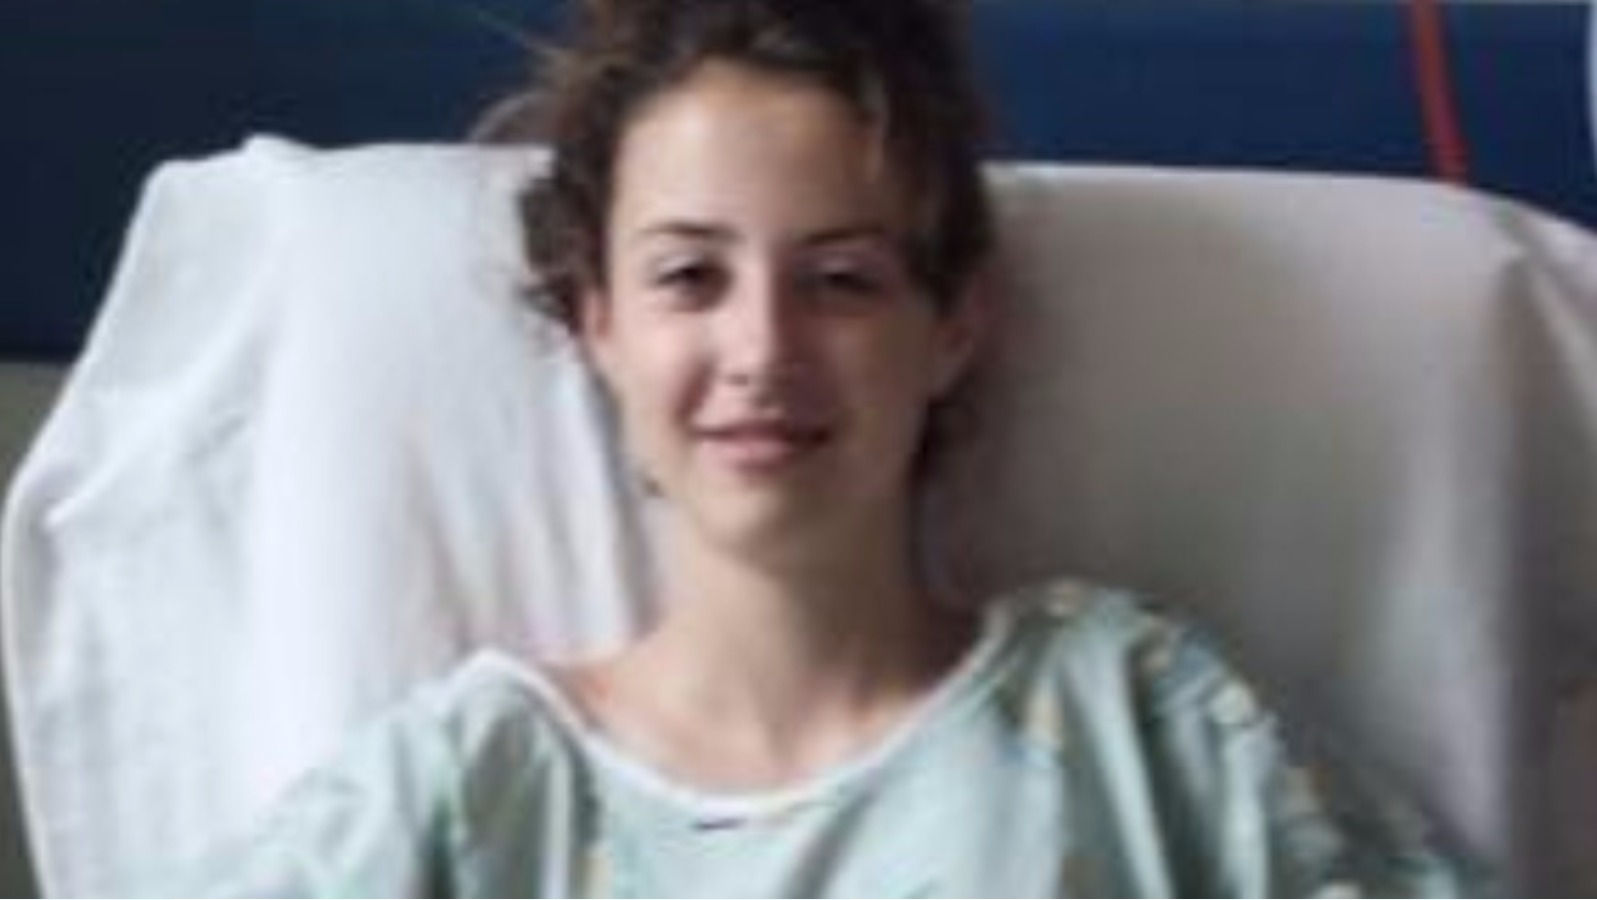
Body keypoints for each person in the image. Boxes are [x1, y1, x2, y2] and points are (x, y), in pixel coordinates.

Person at [166, 0, 1482, 895]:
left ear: (952, 325)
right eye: (690, 276)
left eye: (842, 280)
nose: (762, 348)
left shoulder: (1141, 724)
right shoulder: (467, 795)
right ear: (596, 320)